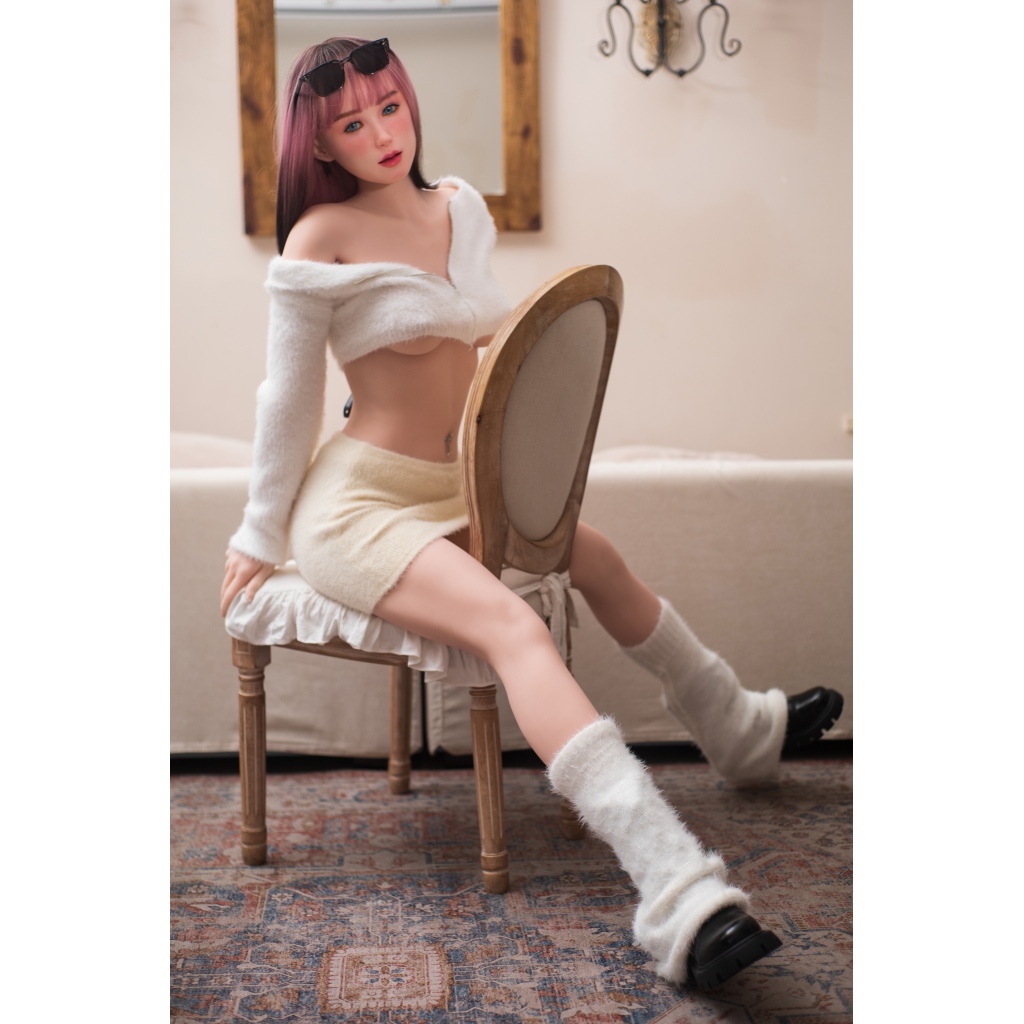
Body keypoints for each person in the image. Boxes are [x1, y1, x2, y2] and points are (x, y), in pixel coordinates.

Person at [220, 36, 843, 991]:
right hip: (359, 508)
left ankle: (739, 729)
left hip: (456, 484)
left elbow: (500, 353)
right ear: (321, 144)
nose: (381, 132)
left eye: (390, 106)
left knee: (597, 555)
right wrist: (260, 533)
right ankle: (675, 890)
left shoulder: (460, 207)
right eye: (351, 123)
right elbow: (289, 400)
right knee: (516, 629)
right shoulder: (320, 237)